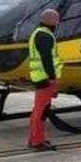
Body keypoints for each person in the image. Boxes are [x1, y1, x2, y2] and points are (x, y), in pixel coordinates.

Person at [27, 8, 63, 152]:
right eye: (57, 19)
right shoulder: (45, 36)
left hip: (39, 77)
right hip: (45, 79)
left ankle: (34, 138)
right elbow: (47, 58)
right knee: (42, 111)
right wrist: (52, 78)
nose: (58, 22)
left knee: (38, 110)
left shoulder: (38, 33)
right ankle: (37, 142)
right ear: (51, 20)